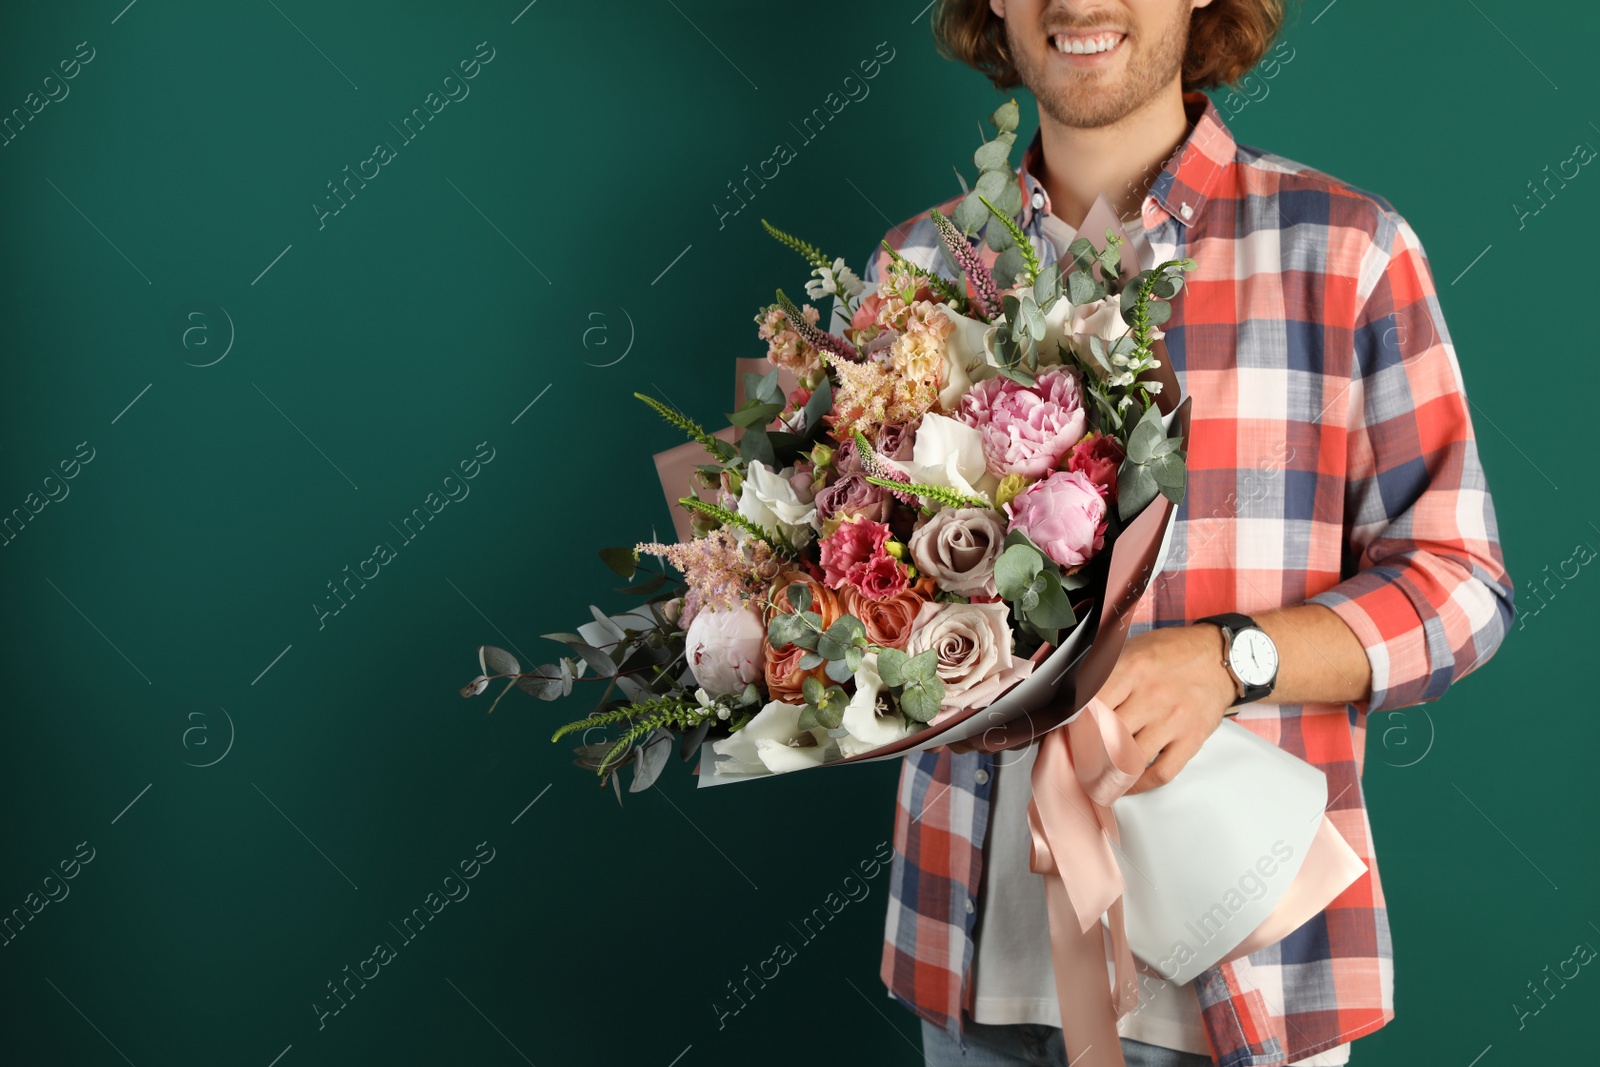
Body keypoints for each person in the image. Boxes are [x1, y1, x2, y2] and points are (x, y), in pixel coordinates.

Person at [854, 1, 1517, 1065]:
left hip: (1249, 970)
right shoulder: (920, 269)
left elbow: (1461, 584)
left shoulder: (1347, 253)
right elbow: (860, 588)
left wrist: (1228, 659)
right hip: (974, 962)